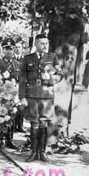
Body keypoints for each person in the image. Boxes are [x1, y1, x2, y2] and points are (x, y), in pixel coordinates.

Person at [19, 33, 63, 162]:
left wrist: (50, 78)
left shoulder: (52, 57)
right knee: (34, 123)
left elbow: (60, 75)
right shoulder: (28, 59)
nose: (45, 46)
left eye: (46, 43)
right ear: (36, 44)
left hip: (46, 96)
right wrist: (22, 97)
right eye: (42, 43)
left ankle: (42, 152)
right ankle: (33, 152)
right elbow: (22, 79)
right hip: (31, 95)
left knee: (44, 123)